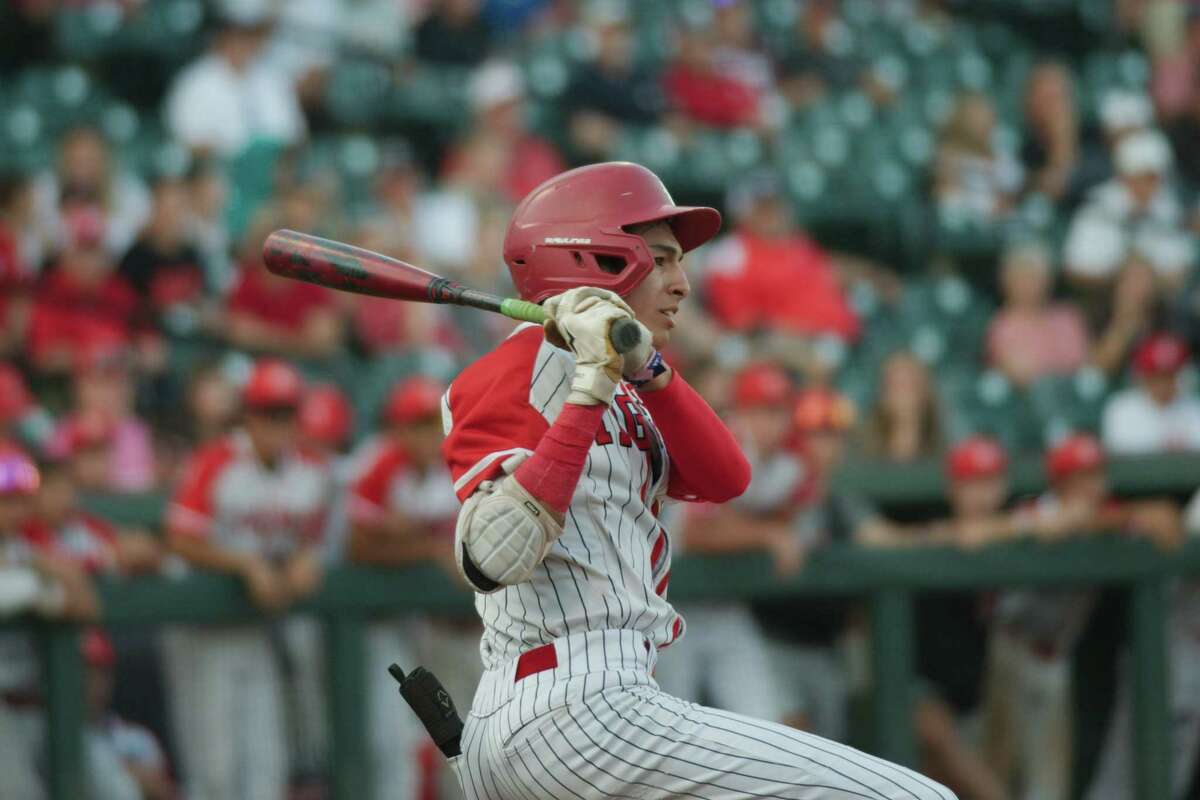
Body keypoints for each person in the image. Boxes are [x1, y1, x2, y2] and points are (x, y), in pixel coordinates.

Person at [437, 162, 953, 798]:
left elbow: (727, 477)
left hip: (589, 707)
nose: (682, 284)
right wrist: (588, 391)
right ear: (594, 259)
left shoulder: (628, 380)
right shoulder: (514, 370)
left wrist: (647, 370)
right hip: (574, 705)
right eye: (660, 260)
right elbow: (491, 555)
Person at [162, 358, 332, 800]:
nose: (278, 424)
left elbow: (310, 541)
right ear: (248, 416)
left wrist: (306, 558)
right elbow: (179, 539)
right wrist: (243, 563)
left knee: (266, 767)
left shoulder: (310, 469)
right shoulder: (216, 461)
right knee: (214, 768)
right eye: (267, 412)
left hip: (259, 630)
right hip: (202, 629)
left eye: (286, 413)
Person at [984, 433, 1180, 799]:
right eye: (1082, 477)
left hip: (1054, 659)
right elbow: (1049, 526)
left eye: (1097, 474)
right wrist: (1080, 520)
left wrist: (1117, 518)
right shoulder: (1036, 509)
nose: (1094, 485)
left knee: (1048, 781)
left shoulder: (1109, 516)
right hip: (1007, 651)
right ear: (1060, 482)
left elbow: (1165, 522)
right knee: (995, 771)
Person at [348, 375, 471, 800]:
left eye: (431, 424)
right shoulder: (379, 465)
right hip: (374, 623)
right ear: (398, 429)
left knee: (458, 736)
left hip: (432, 625)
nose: (426, 435)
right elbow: (356, 548)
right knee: (391, 746)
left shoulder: (454, 463)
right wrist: (428, 548)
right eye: (416, 425)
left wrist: (417, 540)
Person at [654, 362, 796, 724]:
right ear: (739, 413)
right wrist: (765, 533)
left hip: (725, 606)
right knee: (672, 728)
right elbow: (695, 534)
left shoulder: (784, 463)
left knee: (766, 723)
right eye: (758, 411)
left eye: (777, 411)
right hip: (672, 608)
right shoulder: (725, 442)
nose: (770, 423)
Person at [754, 386, 893, 738]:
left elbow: (879, 537)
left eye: (833, 436)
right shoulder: (771, 484)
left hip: (825, 646)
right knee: (788, 743)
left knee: (828, 748)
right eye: (816, 435)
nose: (826, 446)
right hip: (767, 642)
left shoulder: (839, 497)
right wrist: (769, 532)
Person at [0, 449, 98, 800]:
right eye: (5, 502)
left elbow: (84, 605)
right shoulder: (30, 561)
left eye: (19, 501)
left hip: (37, 702)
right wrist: (36, 587)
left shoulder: (27, 549)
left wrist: (44, 575)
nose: (14, 511)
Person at [164, 7, 306, 158]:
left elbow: (295, 135)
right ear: (221, 38)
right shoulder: (194, 82)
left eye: (249, 36)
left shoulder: (273, 78)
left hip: (271, 166)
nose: (243, 44)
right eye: (237, 36)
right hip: (217, 166)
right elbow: (187, 141)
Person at [1063, 129, 1194, 289]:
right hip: (1098, 296)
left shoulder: (1168, 211)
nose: (1149, 187)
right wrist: (1120, 276)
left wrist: (1145, 276)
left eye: (1154, 179)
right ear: (1125, 176)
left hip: (1156, 298)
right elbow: (1076, 269)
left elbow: (1178, 271)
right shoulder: (1098, 208)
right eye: (1143, 178)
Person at [82, 630, 175, 800]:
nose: (95, 684)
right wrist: (127, 774)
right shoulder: (49, 738)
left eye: (101, 672)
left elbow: (166, 793)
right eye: (86, 673)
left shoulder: (138, 739)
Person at [985, 240, 1090, 387]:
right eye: (1023, 277)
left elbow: (1088, 369)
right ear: (1007, 281)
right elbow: (1021, 376)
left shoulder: (1068, 317)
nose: (1029, 285)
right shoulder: (1001, 326)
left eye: (1035, 277)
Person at [1102, 332, 1200, 454]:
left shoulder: (1195, 410)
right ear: (1142, 376)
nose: (1163, 384)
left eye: (1169, 376)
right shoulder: (1121, 409)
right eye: (1155, 376)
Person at [934, 91, 1023, 224]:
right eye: (974, 116)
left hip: (1007, 222)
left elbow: (1015, 185)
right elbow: (948, 201)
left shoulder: (1002, 148)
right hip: (970, 225)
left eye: (985, 115)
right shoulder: (948, 157)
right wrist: (989, 206)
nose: (982, 122)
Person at [860, 350, 945, 461]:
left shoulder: (945, 458)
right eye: (894, 384)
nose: (902, 393)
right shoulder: (859, 456)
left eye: (909, 384)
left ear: (925, 391)